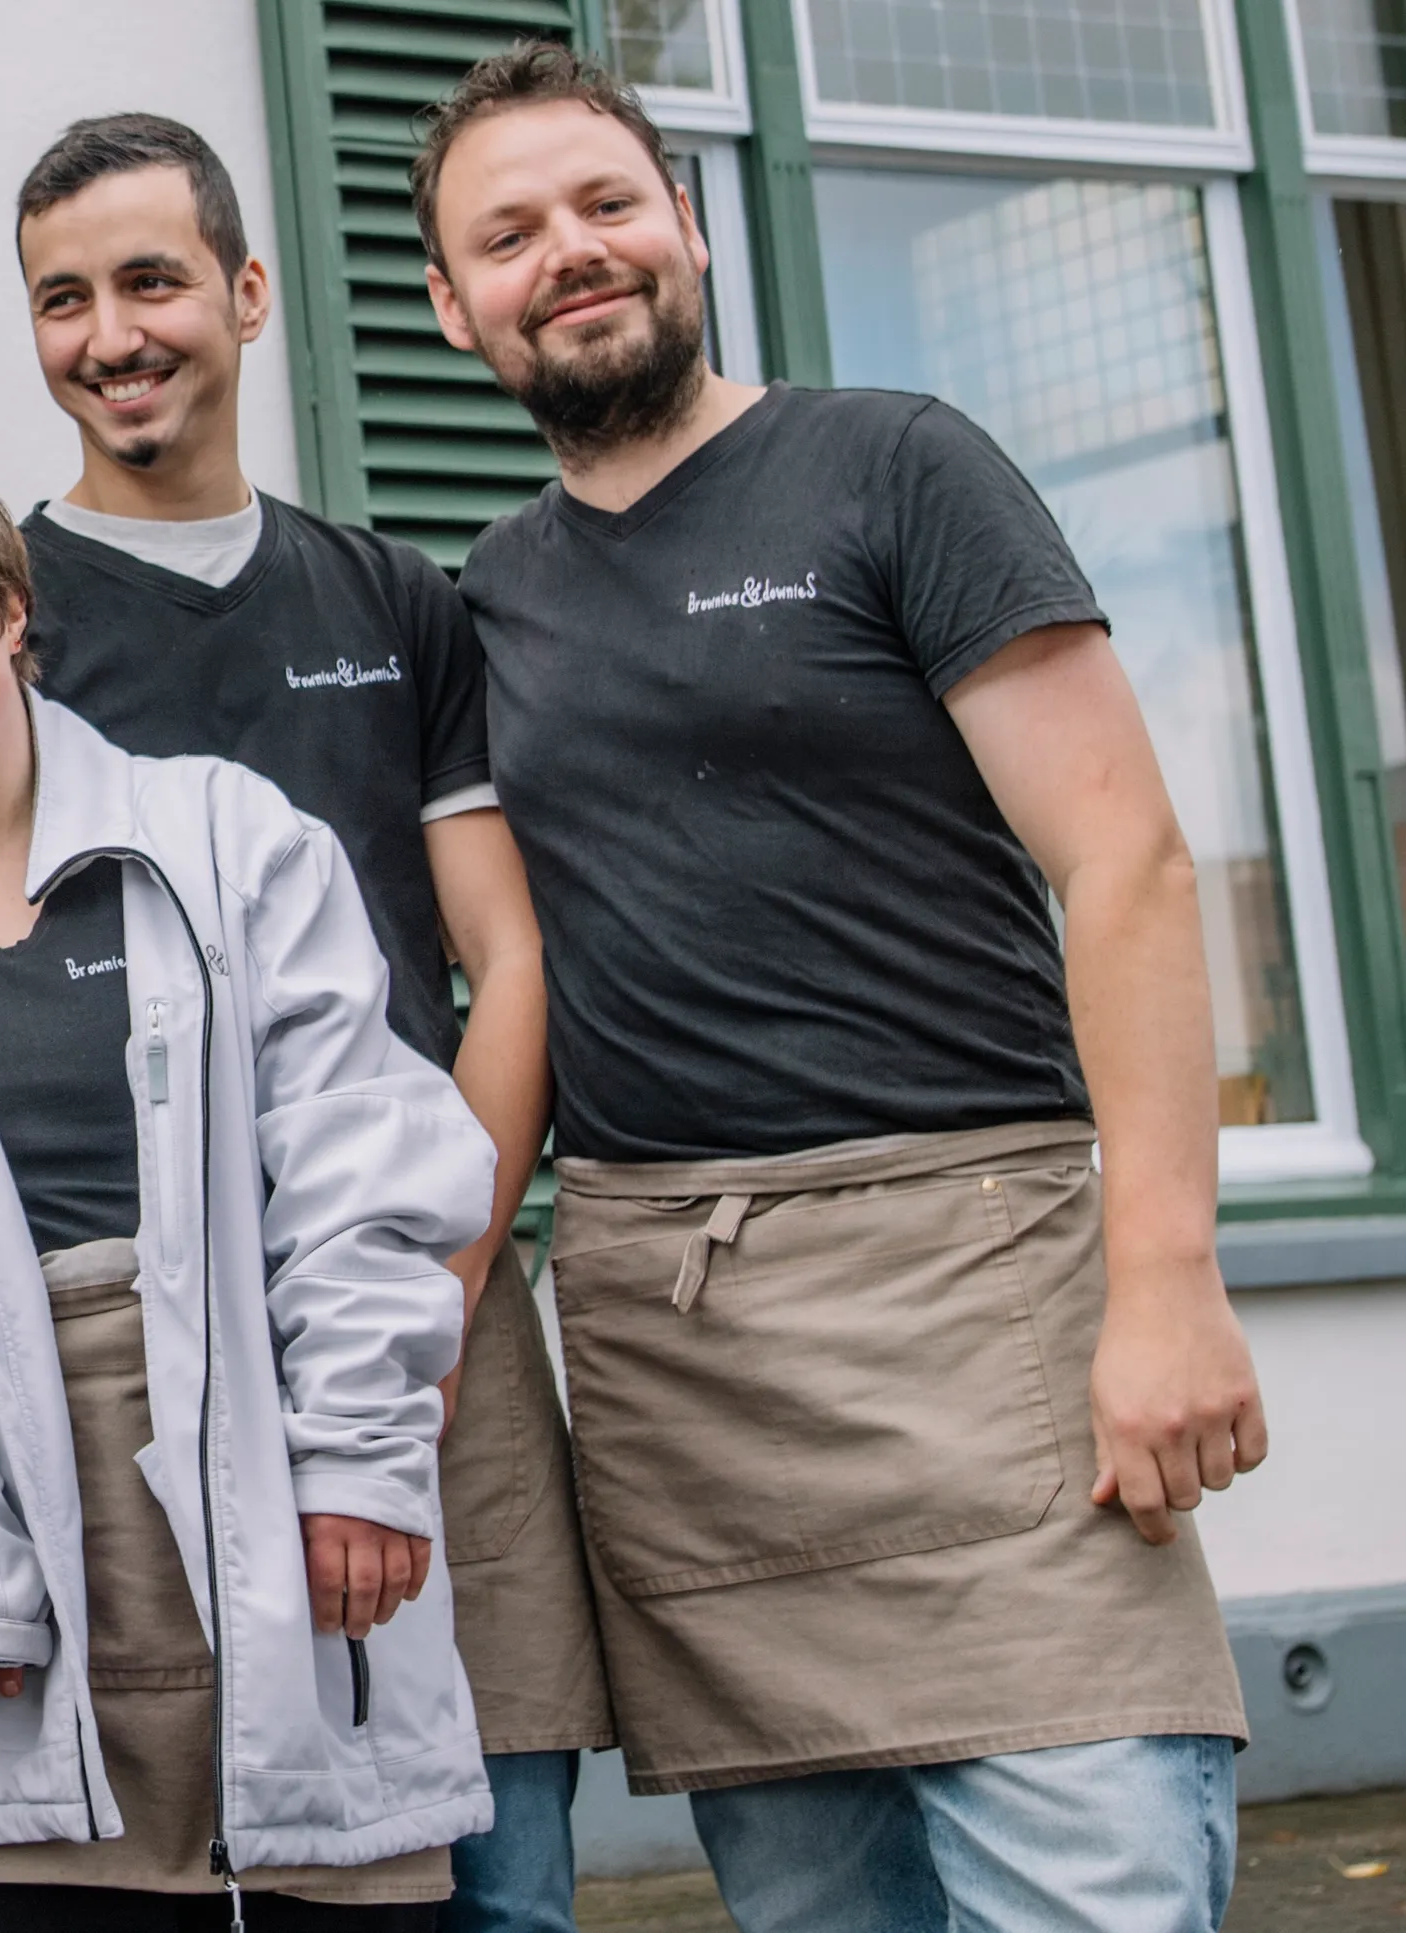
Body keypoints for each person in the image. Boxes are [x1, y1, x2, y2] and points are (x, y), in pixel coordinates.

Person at [415, 42, 1260, 1933]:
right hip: (684, 1363)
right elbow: (510, 967)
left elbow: (1124, 864)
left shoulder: (899, 465)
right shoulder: (492, 592)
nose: (572, 252)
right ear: (456, 308)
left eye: (607, 202)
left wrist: (1169, 1278)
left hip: (978, 1300)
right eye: (511, 234)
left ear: (688, 225)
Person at [0, 457, 496, 1933]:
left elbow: (359, 1162)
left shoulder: (233, 838)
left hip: (273, 1493)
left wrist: (357, 1459)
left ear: (12, 615)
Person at [3, 115, 605, 1931]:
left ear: (249, 292)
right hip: (143, 1329)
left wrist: (448, 1274)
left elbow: (505, 960)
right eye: (63, 299)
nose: (113, 335)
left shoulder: (394, 601)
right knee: (201, 1864)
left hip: (421, 1299)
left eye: (152, 282)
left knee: (497, 1877)